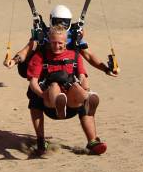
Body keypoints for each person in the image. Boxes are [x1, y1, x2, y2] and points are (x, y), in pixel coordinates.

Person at [25, 24, 109, 156]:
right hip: (50, 104)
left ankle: (92, 139)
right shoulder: (40, 56)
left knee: (76, 86)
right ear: (48, 40)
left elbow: (82, 76)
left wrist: (85, 88)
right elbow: (33, 82)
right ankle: (42, 140)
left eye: (60, 43)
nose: (56, 46)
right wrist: (42, 95)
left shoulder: (74, 56)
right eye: (53, 43)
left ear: (66, 42)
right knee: (51, 87)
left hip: (72, 103)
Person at [4, 4, 116, 77]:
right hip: (45, 71)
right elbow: (27, 49)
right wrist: (14, 61)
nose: (61, 25)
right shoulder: (42, 34)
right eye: (57, 21)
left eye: (64, 22)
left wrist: (106, 69)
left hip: (67, 72)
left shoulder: (73, 36)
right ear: (51, 20)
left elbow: (89, 55)